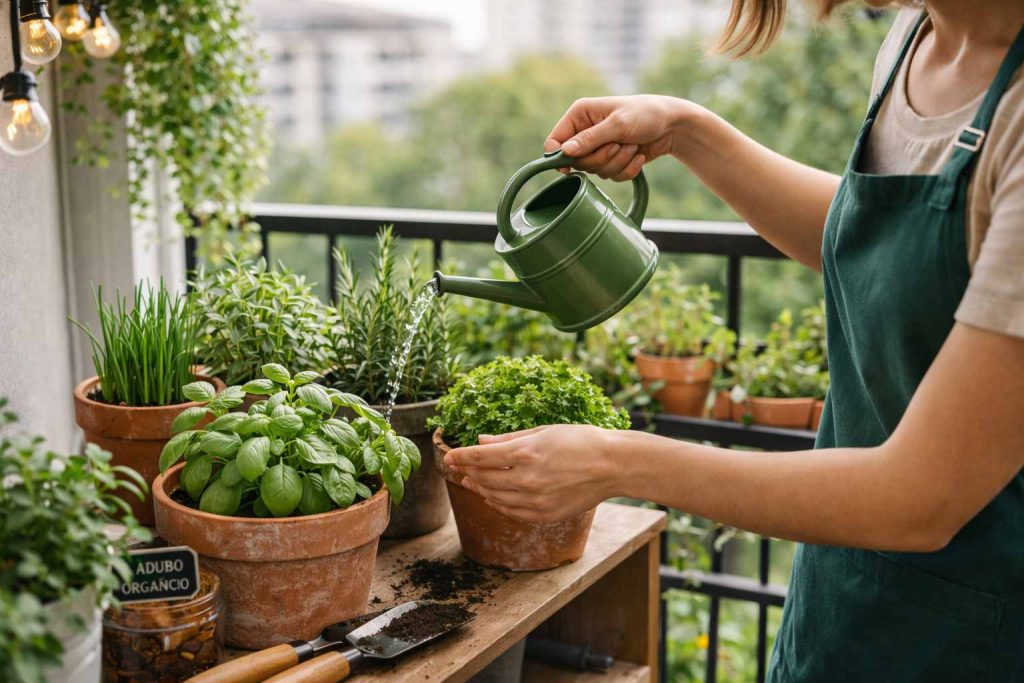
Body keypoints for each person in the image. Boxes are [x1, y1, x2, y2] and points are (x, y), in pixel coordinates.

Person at [444, 1, 1024, 680]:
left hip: (975, 641)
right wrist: (688, 131)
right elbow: (872, 251)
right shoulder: (915, 39)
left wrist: (618, 462)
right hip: (840, 606)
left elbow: (920, 497)